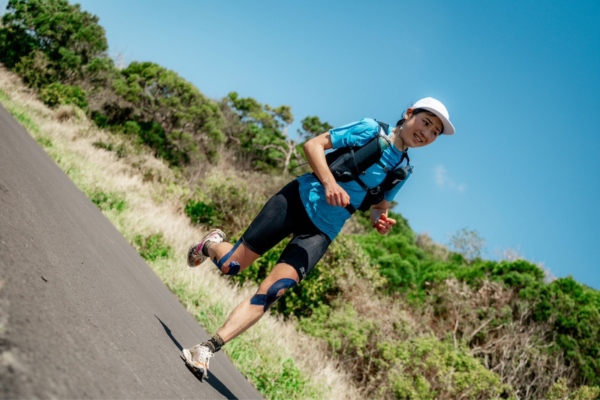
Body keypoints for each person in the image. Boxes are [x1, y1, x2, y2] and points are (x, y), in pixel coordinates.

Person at [182, 97, 455, 380]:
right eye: (426, 122)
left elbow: (379, 206)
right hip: (298, 200)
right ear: (409, 114)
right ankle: (210, 245)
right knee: (232, 265)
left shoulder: (403, 170)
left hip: (323, 231)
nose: (427, 132)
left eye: (435, 132)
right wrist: (329, 183)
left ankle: (206, 349)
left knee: (274, 291)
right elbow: (313, 146)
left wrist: (380, 221)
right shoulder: (371, 129)